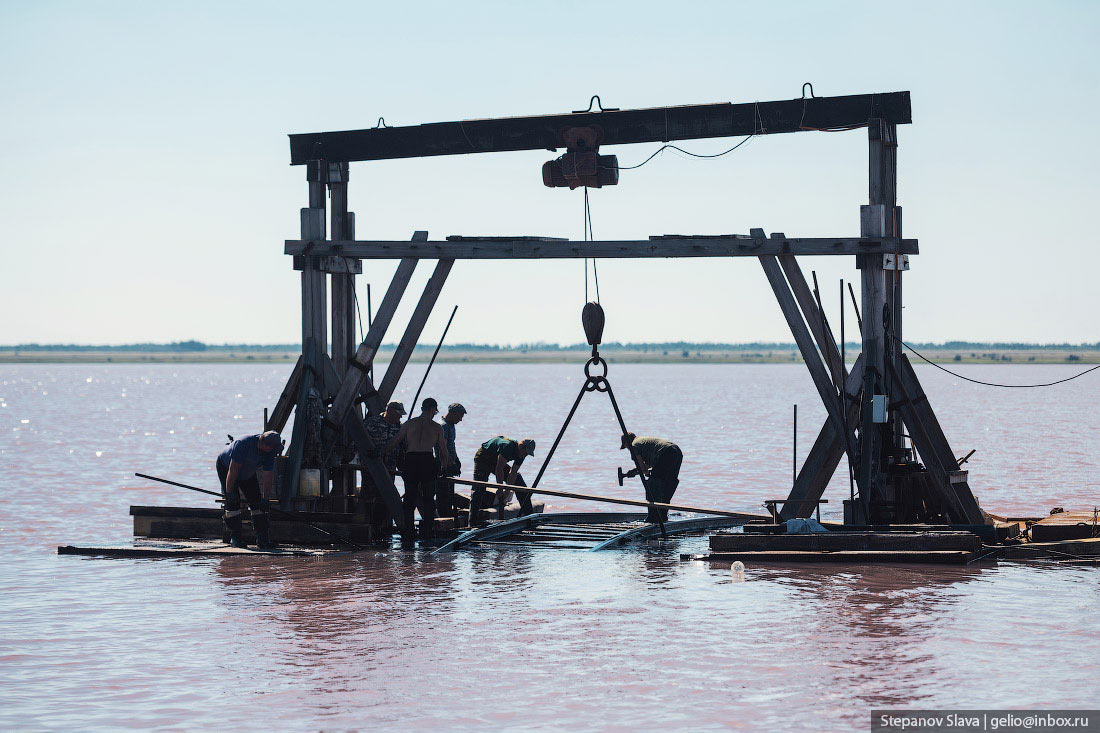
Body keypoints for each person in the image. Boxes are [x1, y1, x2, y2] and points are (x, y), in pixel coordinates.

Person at [386, 398, 450, 540]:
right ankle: (427, 531)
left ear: (422, 408)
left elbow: (394, 442)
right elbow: (443, 451)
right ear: (433, 410)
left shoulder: (409, 424)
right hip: (427, 460)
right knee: (428, 498)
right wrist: (444, 467)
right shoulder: (437, 427)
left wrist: (380, 453)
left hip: (411, 460)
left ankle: (408, 531)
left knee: (409, 497)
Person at [217, 430, 282, 548]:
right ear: (266, 446)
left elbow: (268, 477)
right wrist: (229, 492)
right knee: (233, 503)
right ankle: (235, 539)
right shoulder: (243, 444)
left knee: (257, 502)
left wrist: (265, 499)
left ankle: (263, 540)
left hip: (247, 472)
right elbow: (233, 470)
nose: (274, 451)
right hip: (227, 468)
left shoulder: (269, 452)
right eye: (273, 448)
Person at [469, 436, 536, 525]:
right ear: (520, 447)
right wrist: (500, 488)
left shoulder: (522, 454)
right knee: (479, 488)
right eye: (525, 452)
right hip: (483, 458)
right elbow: (499, 468)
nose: (525, 455)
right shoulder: (507, 446)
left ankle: (530, 518)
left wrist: (507, 491)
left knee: (518, 480)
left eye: (527, 454)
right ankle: (472, 523)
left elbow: (513, 473)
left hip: (496, 461)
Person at [620, 432, 682, 524]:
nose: (628, 449)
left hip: (665, 454)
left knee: (653, 485)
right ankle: (663, 516)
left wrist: (644, 472)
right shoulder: (642, 442)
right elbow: (648, 465)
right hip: (676, 451)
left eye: (626, 447)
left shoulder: (634, 446)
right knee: (668, 484)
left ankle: (652, 517)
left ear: (626, 442)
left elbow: (643, 469)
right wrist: (634, 471)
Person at [438, 402, 466, 520]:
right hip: (443, 465)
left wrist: (456, 460)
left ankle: (448, 516)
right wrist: (450, 463)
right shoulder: (443, 426)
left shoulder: (451, 425)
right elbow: (442, 448)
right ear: (453, 413)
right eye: (460, 416)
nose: (460, 419)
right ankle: (444, 518)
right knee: (443, 495)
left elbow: (451, 445)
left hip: (450, 463)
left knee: (449, 494)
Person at [366, 401, 406, 472]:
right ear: (390, 411)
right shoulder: (372, 423)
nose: (400, 416)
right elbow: (359, 439)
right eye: (398, 413)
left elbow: (404, 448)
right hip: (371, 466)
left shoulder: (400, 428)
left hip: (390, 468)